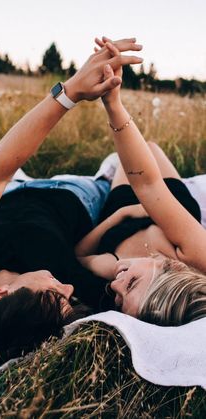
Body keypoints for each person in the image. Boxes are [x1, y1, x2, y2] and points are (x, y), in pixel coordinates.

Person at [0, 37, 143, 370]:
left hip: (11, 188)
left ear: (2, 295)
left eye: (56, 293)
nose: (67, 286)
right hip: (76, 195)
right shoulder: (66, 280)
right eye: (70, 297)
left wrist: (72, 91)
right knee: (131, 164)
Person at [76, 37, 206, 327]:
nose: (116, 289)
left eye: (119, 302)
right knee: (152, 146)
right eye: (131, 284)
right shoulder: (199, 257)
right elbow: (150, 186)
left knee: (129, 159)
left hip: (122, 206)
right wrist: (113, 104)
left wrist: (124, 213)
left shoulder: (115, 272)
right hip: (173, 203)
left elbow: (78, 256)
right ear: (170, 269)